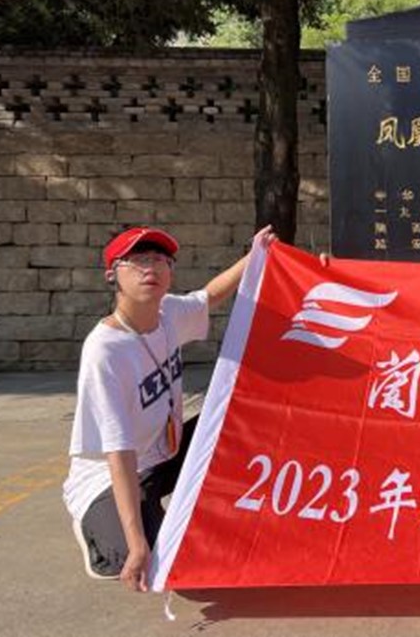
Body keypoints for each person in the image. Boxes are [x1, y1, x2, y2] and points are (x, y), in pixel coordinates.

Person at [63, 224, 275, 591]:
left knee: (244, 420)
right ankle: (101, 534)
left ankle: (195, 513)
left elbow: (209, 296)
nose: (151, 268)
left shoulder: (168, 313)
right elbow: (118, 453)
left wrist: (256, 255)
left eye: (160, 259)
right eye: (138, 260)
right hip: (109, 478)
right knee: (154, 562)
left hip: (164, 454)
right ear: (112, 274)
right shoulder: (105, 351)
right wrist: (136, 544)